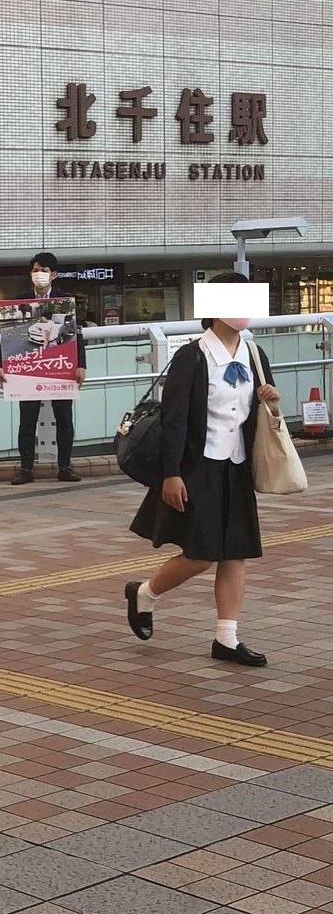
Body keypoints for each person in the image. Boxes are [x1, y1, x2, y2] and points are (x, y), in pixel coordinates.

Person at [125, 272, 280, 667]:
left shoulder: (254, 354)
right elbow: (174, 419)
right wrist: (171, 473)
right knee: (201, 554)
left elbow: (260, 412)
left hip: (236, 465)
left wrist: (270, 398)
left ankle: (226, 638)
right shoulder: (192, 356)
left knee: (236, 552)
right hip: (197, 466)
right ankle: (144, 593)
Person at [0, 252, 87, 484]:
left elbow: (76, 335)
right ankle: (26, 469)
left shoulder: (65, 301)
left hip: (61, 365)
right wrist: (0, 364)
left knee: (64, 418)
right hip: (28, 366)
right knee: (27, 420)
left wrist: (81, 365)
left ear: (53, 275)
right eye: (36, 270)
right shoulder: (20, 301)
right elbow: (8, 337)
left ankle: (65, 466)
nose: (39, 274)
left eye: (44, 271)